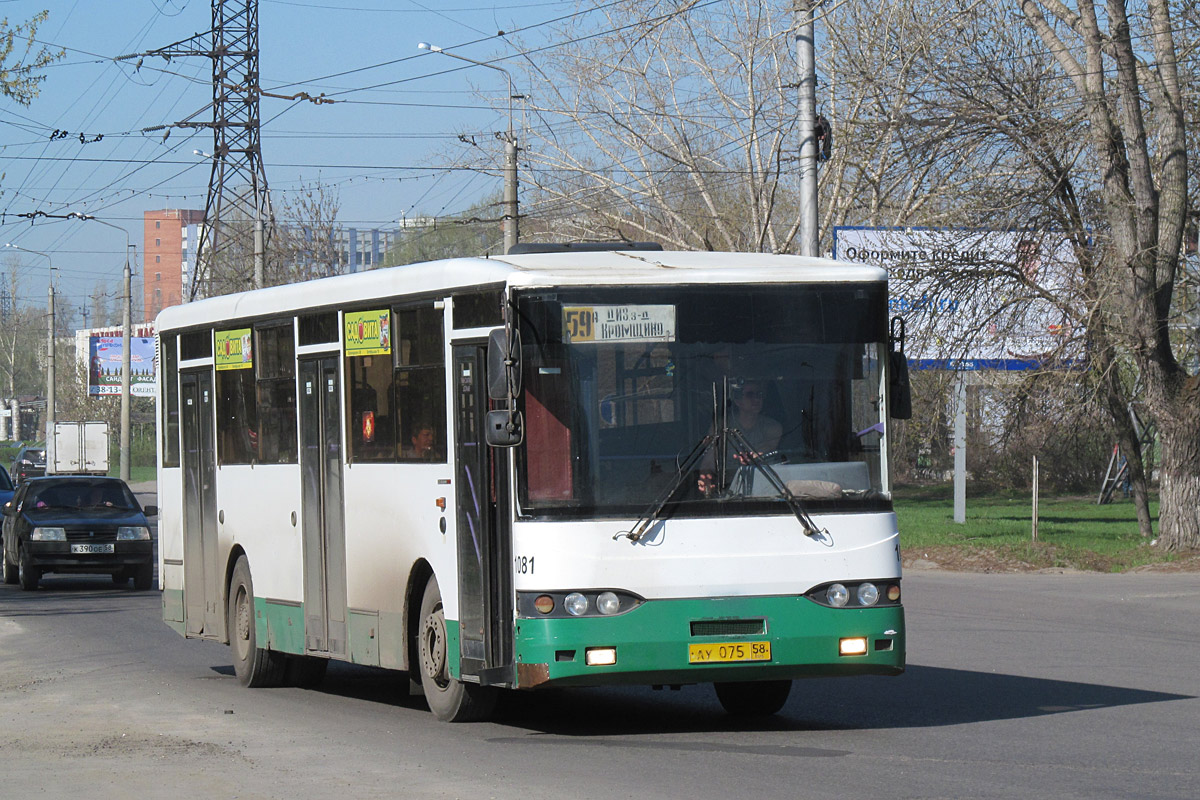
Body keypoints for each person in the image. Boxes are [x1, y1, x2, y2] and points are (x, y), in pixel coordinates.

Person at [697, 380, 782, 495]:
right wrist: (706, 478)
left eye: (759, 395)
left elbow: (767, 448)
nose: (756, 399)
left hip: (766, 487)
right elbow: (709, 460)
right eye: (750, 395)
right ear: (737, 400)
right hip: (728, 488)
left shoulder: (773, 427)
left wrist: (753, 457)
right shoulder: (721, 426)